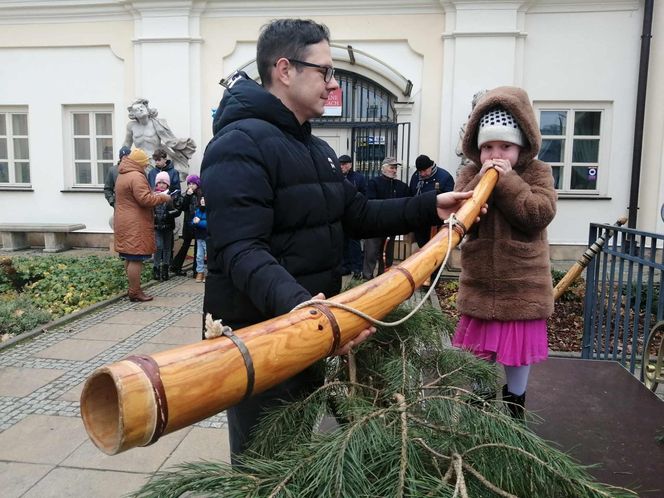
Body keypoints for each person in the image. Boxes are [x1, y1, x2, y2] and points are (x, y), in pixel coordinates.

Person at [201, 18, 476, 463]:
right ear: (285, 70)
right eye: (325, 71)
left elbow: (358, 214)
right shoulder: (240, 144)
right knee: (263, 467)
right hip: (263, 340)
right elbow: (240, 250)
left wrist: (431, 206)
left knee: (295, 457)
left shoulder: (317, 150)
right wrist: (308, 310)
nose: (333, 84)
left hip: (309, 328)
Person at [452, 86, 557, 419]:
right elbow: (459, 217)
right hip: (481, 286)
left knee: (517, 356)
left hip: (521, 288)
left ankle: (515, 410)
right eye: (488, 147)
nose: (496, 155)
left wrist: (508, 183)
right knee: (478, 358)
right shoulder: (469, 174)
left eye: (505, 147)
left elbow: (538, 214)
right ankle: (479, 414)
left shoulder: (537, 173)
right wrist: (477, 186)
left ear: (522, 145)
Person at [113, 148, 171, 302]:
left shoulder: (123, 174)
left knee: (129, 256)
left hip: (124, 220)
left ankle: (133, 288)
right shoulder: (136, 176)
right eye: (145, 164)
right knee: (136, 257)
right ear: (138, 163)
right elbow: (145, 199)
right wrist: (163, 198)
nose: (146, 167)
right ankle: (135, 292)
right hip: (135, 223)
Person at [362, 157, 410, 280]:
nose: (394, 170)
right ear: (383, 168)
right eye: (391, 167)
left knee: (388, 253)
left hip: (391, 225)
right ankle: (367, 277)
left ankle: (384, 277)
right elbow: (370, 202)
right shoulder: (374, 183)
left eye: (395, 168)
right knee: (371, 252)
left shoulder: (401, 186)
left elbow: (407, 202)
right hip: (374, 224)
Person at [123, 98, 196, 178]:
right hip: (140, 162)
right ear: (133, 114)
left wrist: (183, 144)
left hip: (156, 161)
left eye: (142, 107)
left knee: (159, 186)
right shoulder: (131, 126)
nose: (140, 110)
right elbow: (127, 144)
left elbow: (170, 140)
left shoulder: (157, 123)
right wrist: (123, 158)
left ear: (147, 109)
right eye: (137, 109)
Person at [409, 154, 455, 248]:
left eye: (425, 170)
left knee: (437, 249)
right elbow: (411, 194)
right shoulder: (416, 176)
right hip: (420, 221)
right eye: (420, 171)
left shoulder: (445, 177)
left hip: (437, 221)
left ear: (431, 166)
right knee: (421, 248)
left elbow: (449, 200)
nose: (422, 174)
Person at [339, 154, 366, 278]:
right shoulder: (336, 177)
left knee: (354, 242)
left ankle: (357, 268)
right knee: (343, 242)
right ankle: (345, 266)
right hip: (340, 214)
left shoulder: (358, 178)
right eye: (340, 164)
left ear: (350, 165)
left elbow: (364, 195)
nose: (342, 166)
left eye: (344, 164)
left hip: (354, 214)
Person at [170, 174, 202, 277]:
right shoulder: (185, 195)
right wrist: (188, 195)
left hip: (199, 224)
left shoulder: (201, 195)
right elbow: (182, 207)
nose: (191, 186)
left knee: (199, 247)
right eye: (189, 184)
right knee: (185, 245)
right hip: (188, 224)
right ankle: (176, 266)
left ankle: (196, 270)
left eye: (193, 184)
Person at [152, 171, 180, 281]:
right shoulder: (153, 195)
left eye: (164, 183)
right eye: (159, 183)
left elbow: (177, 210)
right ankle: (156, 268)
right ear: (156, 184)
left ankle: (165, 269)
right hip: (156, 225)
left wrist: (169, 214)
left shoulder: (172, 195)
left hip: (168, 225)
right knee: (158, 247)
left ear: (168, 184)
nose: (161, 185)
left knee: (168, 248)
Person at [192, 196, 208, 283]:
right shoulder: (198, 210)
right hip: (199, 237)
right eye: (201, 199)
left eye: (204, 198)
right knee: (199, 256)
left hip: (207, 237)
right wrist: (194, 222)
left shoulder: (210, 210)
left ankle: (207, 273)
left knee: (207, 256)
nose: (202, 200)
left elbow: (208, 223)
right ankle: (200, 272)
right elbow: (193, 221)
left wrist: (198, 222)